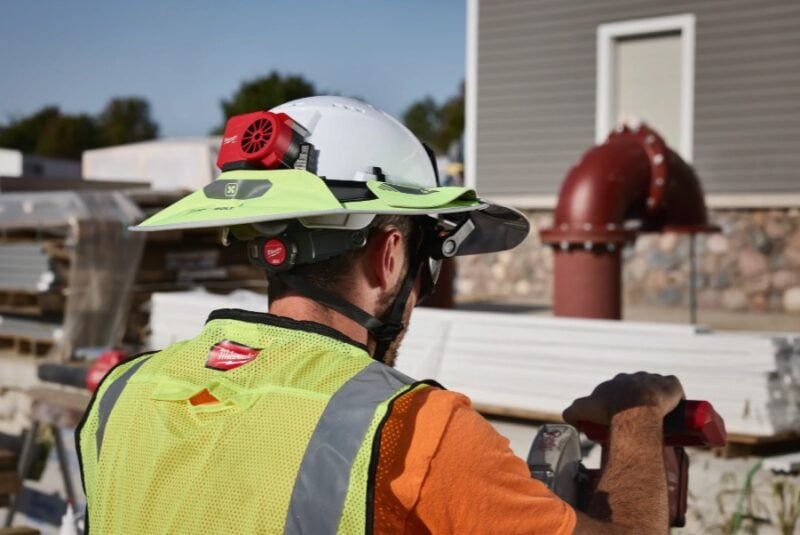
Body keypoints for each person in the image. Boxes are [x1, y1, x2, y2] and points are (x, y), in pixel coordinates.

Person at [77, 96, 683, 534]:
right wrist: (637, 416)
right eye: (429, 260)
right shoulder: (413, 426)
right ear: (392, 257)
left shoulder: (122, 394)